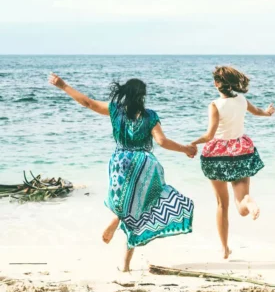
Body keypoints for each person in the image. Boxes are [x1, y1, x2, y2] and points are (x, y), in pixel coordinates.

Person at [49, 74, 195, 271]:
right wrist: (185, 149)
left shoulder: (115, 111)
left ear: (125, 93)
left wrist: (63, 85)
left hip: (120, 162)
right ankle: (124, 261)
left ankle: (117, 219)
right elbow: (162, 142)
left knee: (126, 207)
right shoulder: (150, 116)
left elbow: (88, 103)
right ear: (142, 97)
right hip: (145, 164)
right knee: (139, 211)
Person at [191, 66, 275, 259]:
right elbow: (258, 112)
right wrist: (268, 112)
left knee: (222, 203)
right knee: (241, 203)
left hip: (217, 155)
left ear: (217, 84)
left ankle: (224, 248)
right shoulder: (242, 100)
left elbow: (210, 135)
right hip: (240, 152)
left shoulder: (215, 105)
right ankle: (248, 201)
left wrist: (192, 143)